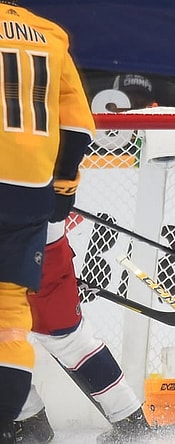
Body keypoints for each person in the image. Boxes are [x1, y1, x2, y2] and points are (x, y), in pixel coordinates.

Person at [0, 1, 94, 442]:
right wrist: (61, 191)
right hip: (27, 194)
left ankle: (28, 423)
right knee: (8, 322)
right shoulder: (50, 34)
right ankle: (21, 426)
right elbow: (76, 129)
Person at [14, 221, 175, 444]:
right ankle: (130, 421)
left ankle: (28, 419)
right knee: (69, 340)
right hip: (44, 245)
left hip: (36, 245)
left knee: (66, 339)